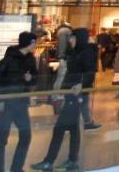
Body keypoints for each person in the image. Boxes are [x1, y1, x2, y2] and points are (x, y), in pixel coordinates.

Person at [30, 29, 97, 171]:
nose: (70, 41)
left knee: (60, 128)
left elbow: (90, 72)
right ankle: (72, 161)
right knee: (73, 129)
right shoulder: (74, 52)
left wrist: (81, 84)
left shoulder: (87, 52)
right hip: (70, 93)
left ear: (79, 39)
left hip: (76, 94)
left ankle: (50, 161)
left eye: (73, 38)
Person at [0, 32, 38, 172]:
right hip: (6, 104)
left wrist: (31, 79)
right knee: (2, 139)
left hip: (21, 104)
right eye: (34, 43)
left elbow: (35, 77)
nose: (36, 45)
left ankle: (16, 168)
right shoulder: (9, 59)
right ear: (29, 43)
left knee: (26, 136)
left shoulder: (31, 59)